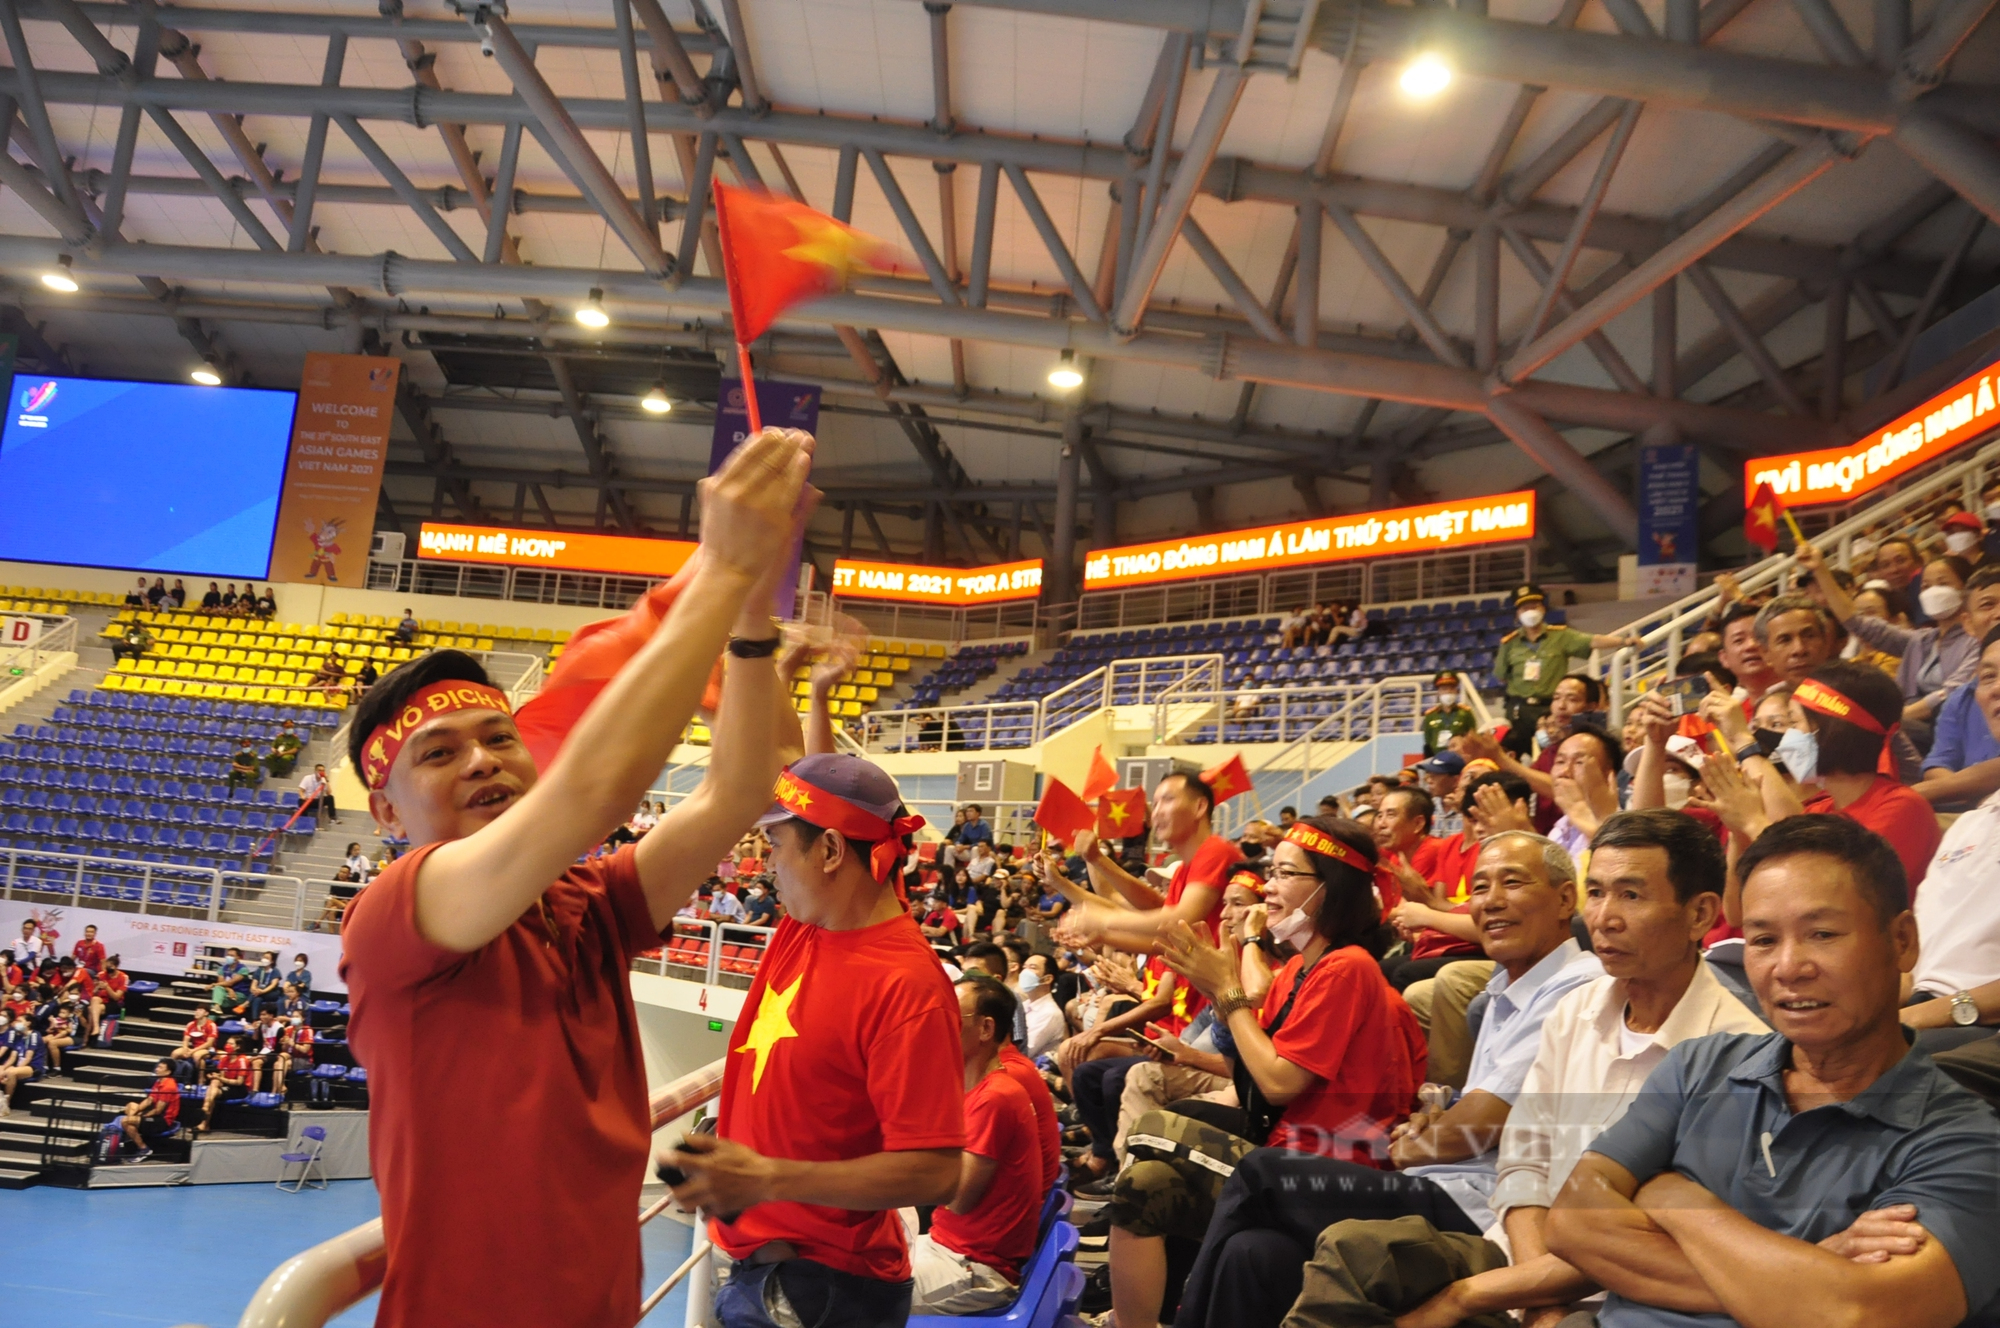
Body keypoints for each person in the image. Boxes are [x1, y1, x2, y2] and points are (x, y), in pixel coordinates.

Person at [340, 426, 818, 1328]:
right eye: (438, 755)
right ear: (388, 814)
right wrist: (716, 573)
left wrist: (752, 615)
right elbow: (590, 793)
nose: (482, 760)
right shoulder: (395, 911)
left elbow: (741, 789)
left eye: (499, 737)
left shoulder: (584, 903)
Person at [1544, 814, 2000, 1328]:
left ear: (1902, 941)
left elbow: (1859, 1312)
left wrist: (1673, 1196)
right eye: (1762, 941)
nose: (1788, 967)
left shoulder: (1965, 1141)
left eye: (1822, 934)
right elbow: (1571, 1220)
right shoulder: (1700, 1066)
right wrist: (1799, 1276)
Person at [1171, 830, 1602, 1328]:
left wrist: (1230, 994)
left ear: (1566, 898)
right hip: (1426, 1179)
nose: (1491, 901)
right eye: (1479, 887)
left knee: (1254, 1172)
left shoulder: (1573, 988)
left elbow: (1476, 1124)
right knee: (1253, 1251)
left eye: (1512, 882)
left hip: (1467, 1201)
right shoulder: (1500, 991)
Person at [1383, 810, 1768, 1328]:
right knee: (1331, 1255)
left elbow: (1658, 1238)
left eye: (1631, 896)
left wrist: (1486, 1297)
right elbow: (1523, 1163)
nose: (1604, 918)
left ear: (1700, 915)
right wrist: (1538, 1301)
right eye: (1598, 893)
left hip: (1622, 1303)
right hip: (1519, 1262)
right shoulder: (1576, 1009)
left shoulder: (1738, 1052)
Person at [661, 752, 964, 1328]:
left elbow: (937, 1171)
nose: (765, 866)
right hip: (777, 1275)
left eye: (774, 846)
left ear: (827, 851)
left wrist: (767, 1176)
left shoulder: (907, 987)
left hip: (820, 1294)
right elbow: (818, 776)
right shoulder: (811, 924)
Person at [1105, 816, 1428, 1328]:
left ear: (1329, 888)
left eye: (1284, 874)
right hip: (1283, 1143)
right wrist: (1217, 990)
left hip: (1330, 1161)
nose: (1269, 888)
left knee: (1155, 1129)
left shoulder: (1349, 968)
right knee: (1140, 1184)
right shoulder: (1301, 969)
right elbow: (1248, 1077)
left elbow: (1281, 1083)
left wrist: (1229, 991)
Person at [906, 977, 1044, 1314]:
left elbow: (958, 1199)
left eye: (950, 1016)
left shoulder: (996, 1097)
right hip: (949, 1250)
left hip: (974, 1269)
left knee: (843, 1293)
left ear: (985, 1029)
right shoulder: (979, 1090)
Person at [1800, 541, 1987, 753]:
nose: (1933, 592)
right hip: (1908, 726)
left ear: (1966, 590)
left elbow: (1953, 692)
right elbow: (1858, 622)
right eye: (1926, 586)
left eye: (1942, 584)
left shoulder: (1978, 641)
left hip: (1949, 729)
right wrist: (1820, 570)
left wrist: (1893, 718)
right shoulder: (1921, 640)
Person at [1492, 584, 1641, 756]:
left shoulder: (1561, 636)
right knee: (1514, 754)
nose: (1530, 611)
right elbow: (1501, 676)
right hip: (1519, 710)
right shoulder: (1510, 643)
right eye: (1525, 608)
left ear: (1543, 608)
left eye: (1534, 606)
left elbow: (1592, 641)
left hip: (1552, 709)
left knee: (1554, 753)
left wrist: (1623, 641)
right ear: (1518, 613)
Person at [1917, 621, 2000, 809]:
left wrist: (1906, 796)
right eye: (1988, 676)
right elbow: (1937, 762)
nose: (1997, 688)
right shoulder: (1960, 698)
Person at [115, 1060, 182, 1161]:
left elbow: (158, 1110)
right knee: (131, 1106)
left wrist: (140, 1117)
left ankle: (144, 1149)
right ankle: (132, 1133)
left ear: (168, 1072)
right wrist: (135, 1112)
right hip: (155, 1115)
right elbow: (149, 1100)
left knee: (125, 1121)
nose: (156, 1069)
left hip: (163, 1121)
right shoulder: (159, 1081)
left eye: (160, 1068)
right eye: (157, 1067)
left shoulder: (169, 1086)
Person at [197, 1035, 254, 1133]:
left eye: (231, 1044)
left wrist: (219, 1078)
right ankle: (205, 1119)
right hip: (227, 1085)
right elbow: (222, 1078)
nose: (227, 1045)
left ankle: (204, 1119)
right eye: (227, 1043)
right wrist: (215, 1077)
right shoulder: (224, 1059)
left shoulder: (242, 1060)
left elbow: (239, 1082)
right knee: (214, 1084)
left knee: (212, 1091)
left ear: (238, 1047)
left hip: (239, 1089)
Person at [1414, 750, 1467, 837]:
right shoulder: (1427, 806)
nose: (1429, 780)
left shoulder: (1469, 810)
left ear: (1455, 780)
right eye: (1429, 775)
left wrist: (1463, 810)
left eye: (1434, 776)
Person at [1422, 672, 1477, 755]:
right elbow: (1428, 741)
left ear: (1456, 691)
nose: (1448, 692)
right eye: (1444, 689)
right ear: (1438, 692)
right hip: (1437, 758)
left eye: (1451, 688)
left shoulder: (1465, 714)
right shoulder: (1430, 716)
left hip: (1460, 758)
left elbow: (1472, 738)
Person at [245, 951, 282, 1022]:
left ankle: (246, 1003)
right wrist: (254, 990)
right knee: (257, 999)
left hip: (272, 993)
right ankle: (255, 1020)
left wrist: (262, 991)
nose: (264, 959)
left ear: (272, 961)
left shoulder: (275, 971)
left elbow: (272, 985)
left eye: (267, 958)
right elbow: (253, 984)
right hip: (259, 993)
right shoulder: (259, 970)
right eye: (264, 957)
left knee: (257, 995)